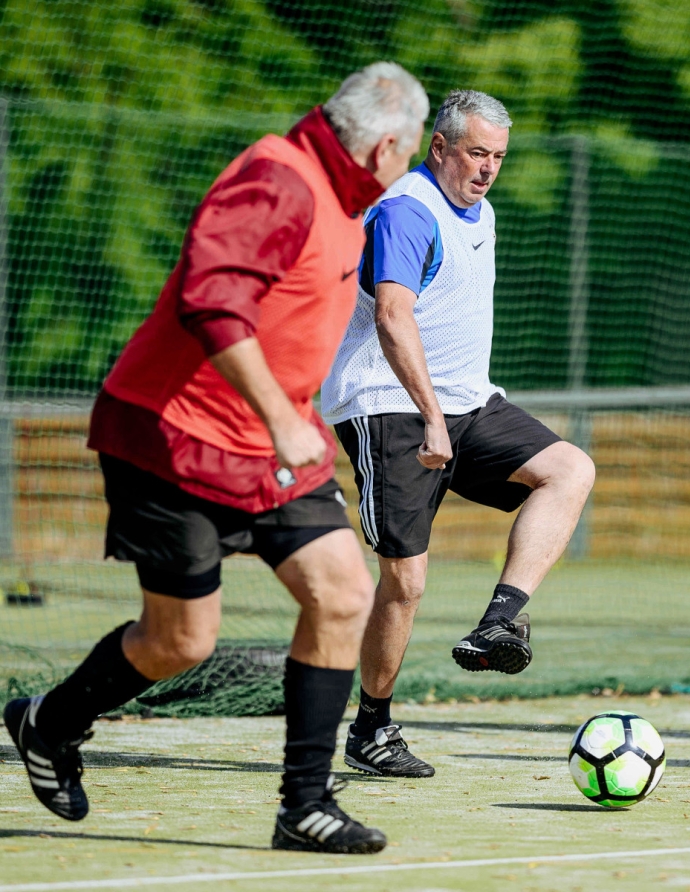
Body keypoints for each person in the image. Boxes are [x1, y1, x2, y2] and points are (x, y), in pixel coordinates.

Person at [3, 63, 428, 853]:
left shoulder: (350, 199)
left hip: (269, 444)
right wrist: (279, 416)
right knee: (180, 643)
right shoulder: (279, 179)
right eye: (406, 159)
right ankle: (46, 724)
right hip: (173, 439)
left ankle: (305, 806)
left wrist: (282, 419)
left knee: (342, 595)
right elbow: (212, 299)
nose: (405, 172)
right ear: (386, 146)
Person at [321, 90, 595, 779]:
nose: (488, 169)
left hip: (470, 404)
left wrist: (454, 409)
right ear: (438, 147)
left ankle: (500, 621)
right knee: (406, 583)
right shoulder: (407, 213)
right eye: (477, 152)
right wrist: (432, 416)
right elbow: (391, 315)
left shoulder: (484, 210)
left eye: (498, 156)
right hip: (390, 406)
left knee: (569, 469)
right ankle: (372, 730)